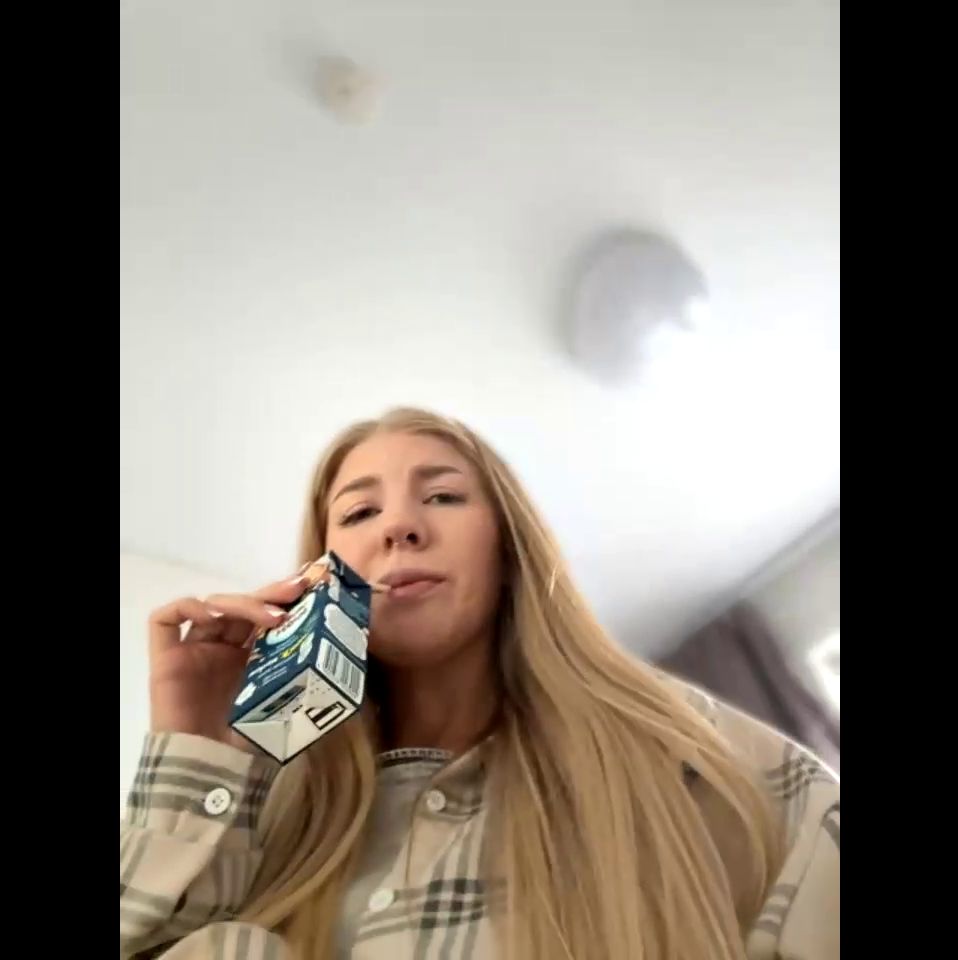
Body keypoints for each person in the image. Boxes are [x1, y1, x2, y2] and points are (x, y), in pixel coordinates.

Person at [120, 407, 839, 960]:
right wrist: (197, 747)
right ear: (319, 576)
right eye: (360, 512)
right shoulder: (272, 806)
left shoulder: (685, 749)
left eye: (442, 496)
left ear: (509, 546)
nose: (399, 526)